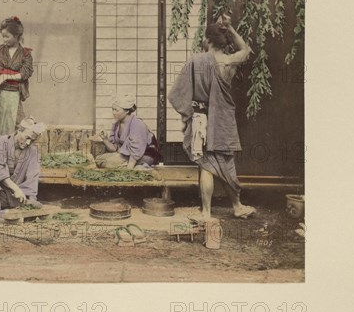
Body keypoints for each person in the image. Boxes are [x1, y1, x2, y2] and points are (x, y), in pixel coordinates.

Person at [168, 14, 256, 220]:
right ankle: (237, 205)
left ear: (207, 40)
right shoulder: (228, 61)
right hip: (223, 121)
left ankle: (206, 212)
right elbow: (246, 50)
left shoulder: (195, 62)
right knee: (225, 161)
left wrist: (188, 115)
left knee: (206, 165)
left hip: (200, 119)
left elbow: (176, 95)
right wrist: (230, 27)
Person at [0, 117, 46, 212]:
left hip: (10, 189)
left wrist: (31, 199)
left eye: (32, 140)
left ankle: (15, 202)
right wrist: (16, 189)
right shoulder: (0, 142)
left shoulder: (33, 152)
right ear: (19, 130)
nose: (28, 142)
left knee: (29, 202)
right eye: (27, 137)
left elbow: (33, 177)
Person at [95, 94, 161, 169]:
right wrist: (105, 139)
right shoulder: (116, 124)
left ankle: (139, 168)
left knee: (108, 163)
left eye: (116, 110)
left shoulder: (137, 123)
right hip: (127, 155)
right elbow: (114, 149)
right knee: (99, 159)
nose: (113, 112)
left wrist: (129, 170)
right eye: (112, 109)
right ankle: (136, 167)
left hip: (144, 155)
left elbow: (136, 151)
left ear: (126, 111)